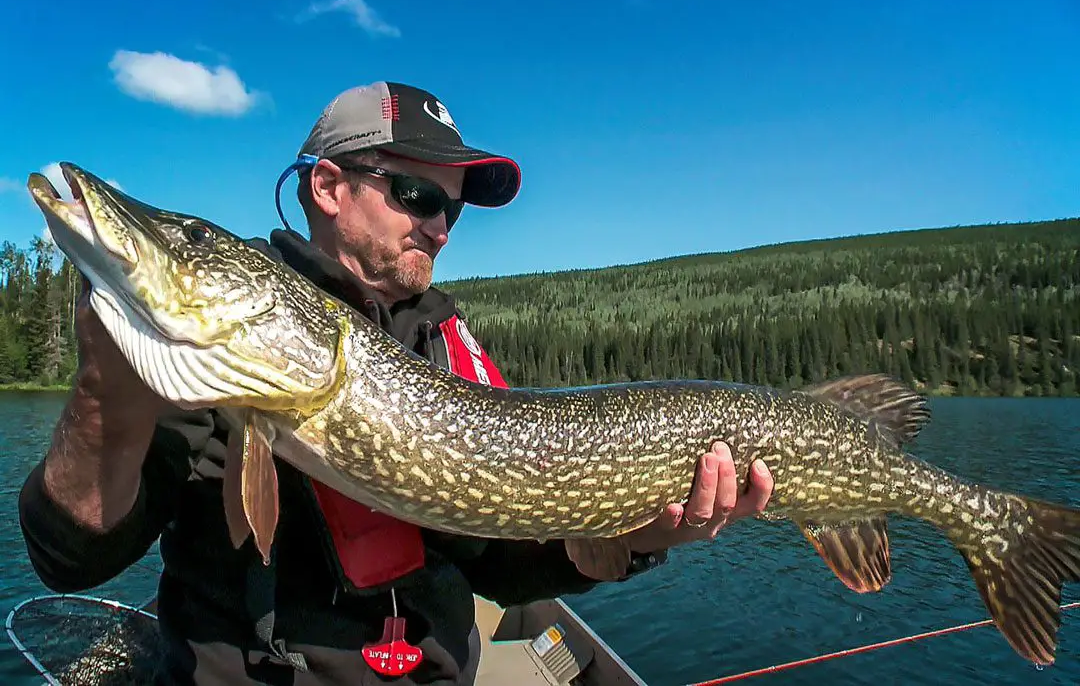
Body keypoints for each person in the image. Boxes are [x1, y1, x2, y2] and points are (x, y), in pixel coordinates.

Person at [18, 81, 775, 685]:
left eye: (452, 208)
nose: (440, 226)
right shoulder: (224, 352)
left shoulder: (450, 346)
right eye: (417, 195)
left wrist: (641, 535)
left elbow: (502, 565)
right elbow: (72, 559)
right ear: (327, 186)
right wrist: (100, 393)